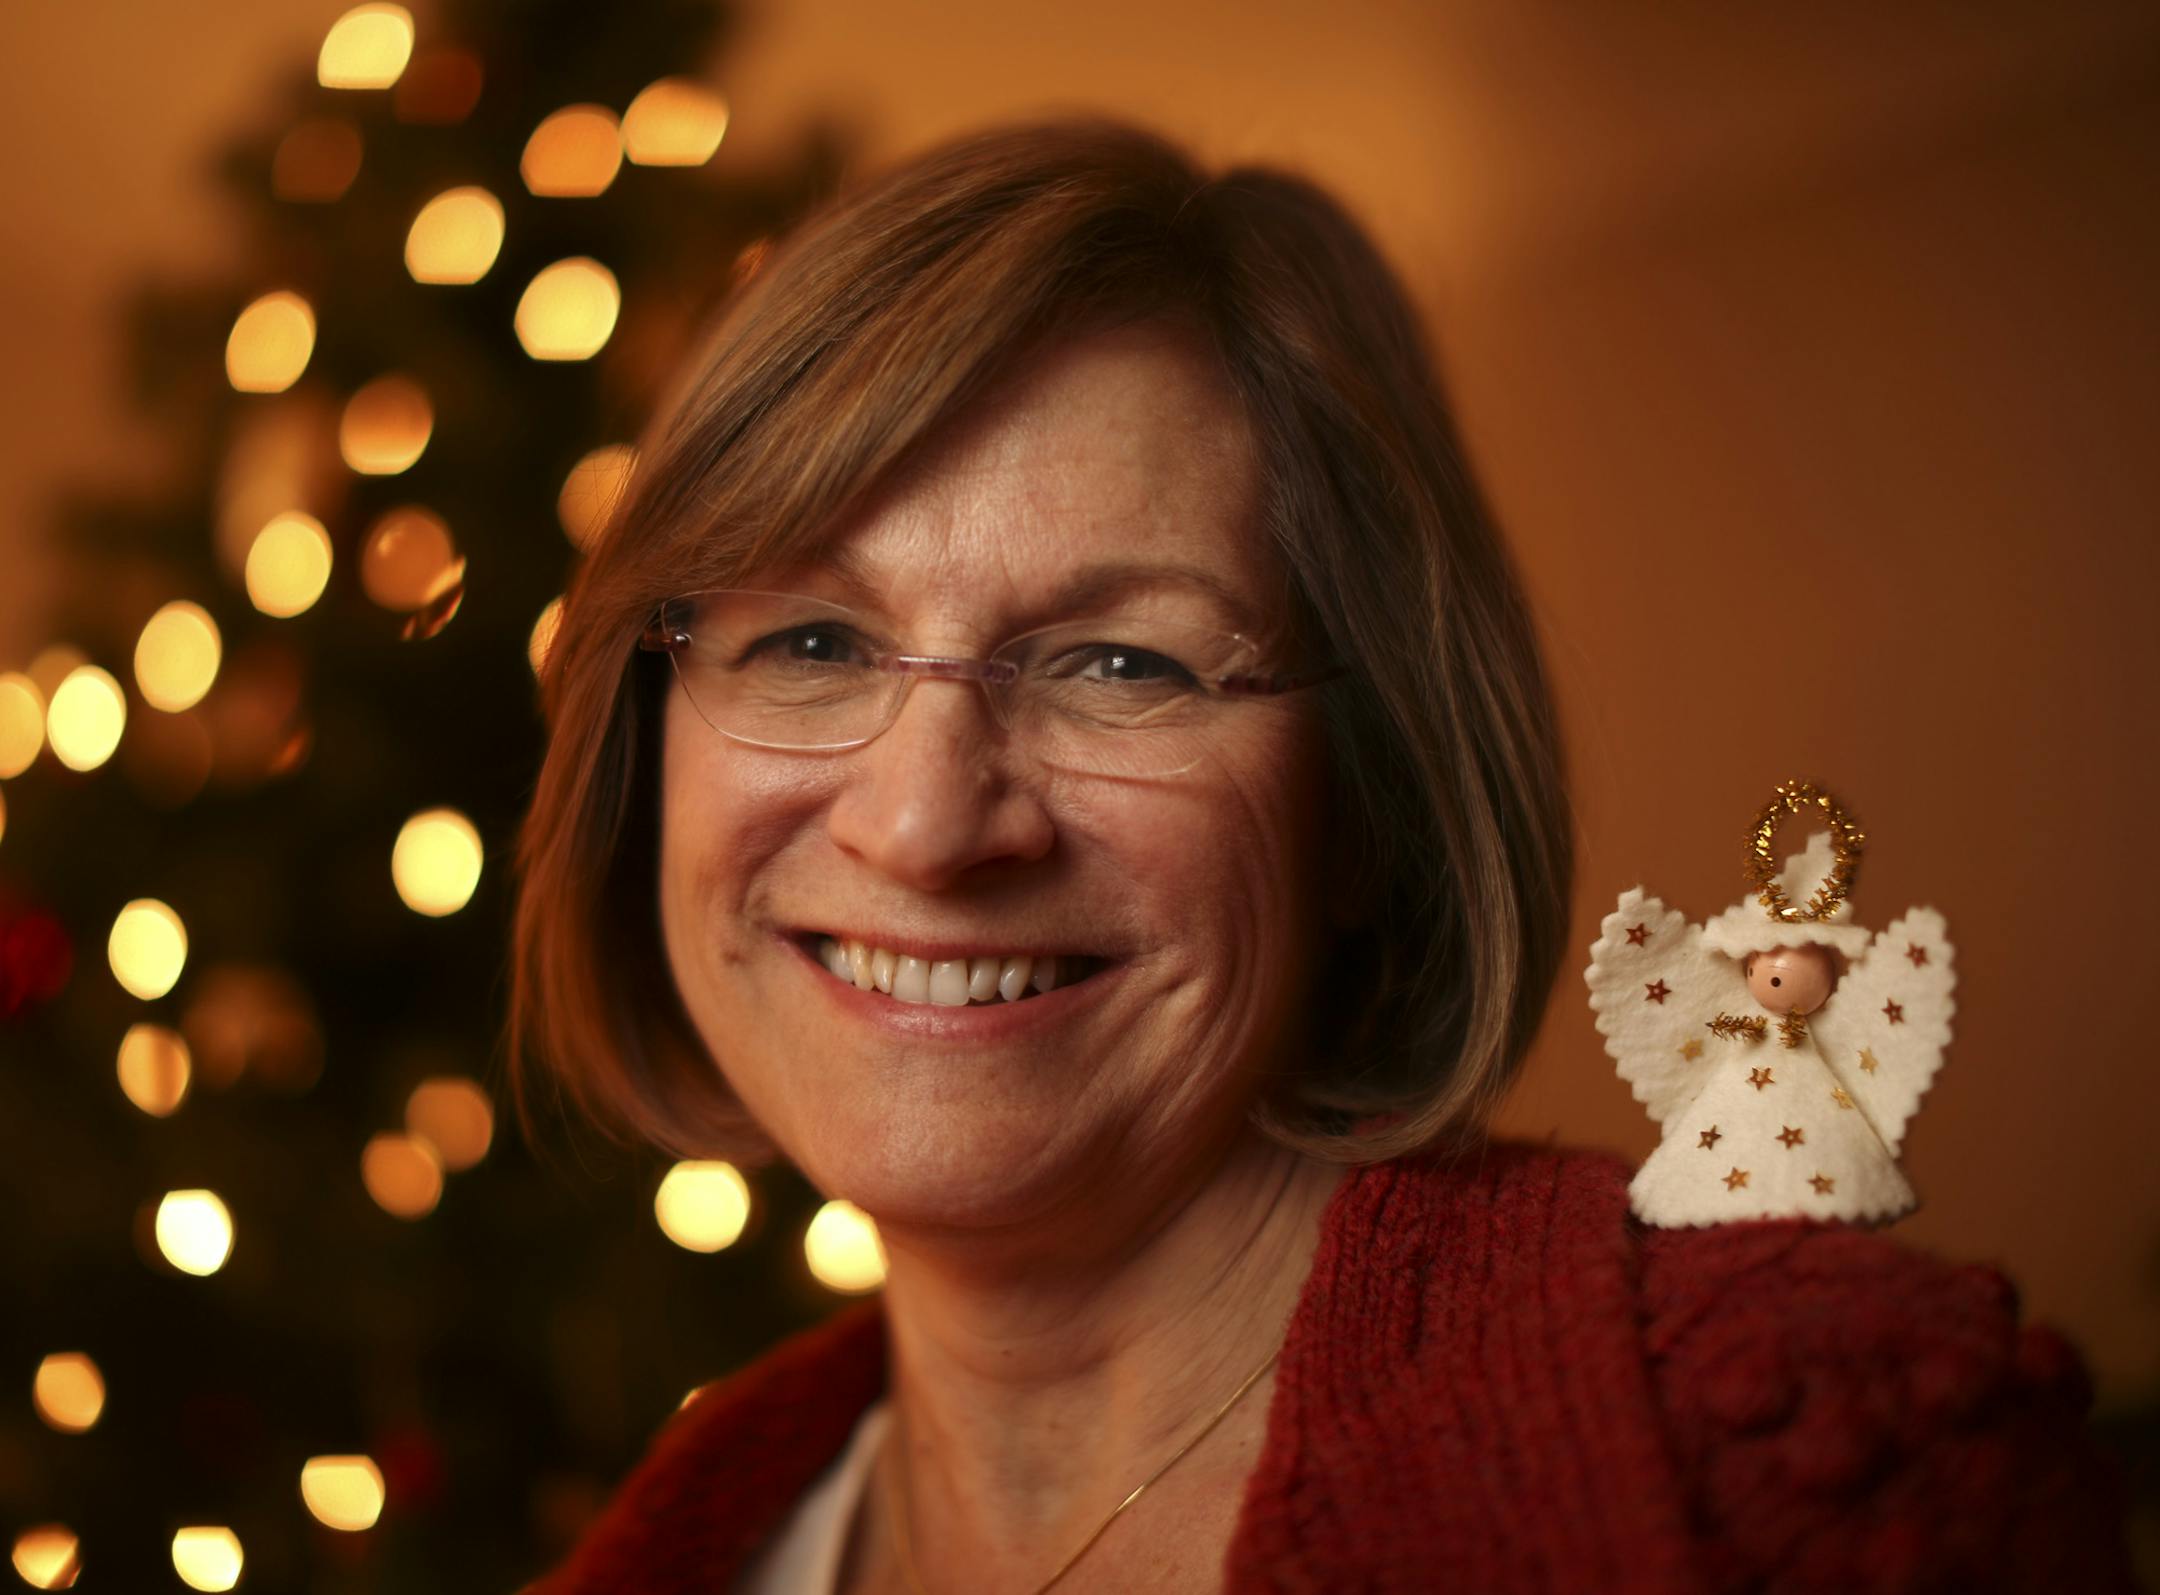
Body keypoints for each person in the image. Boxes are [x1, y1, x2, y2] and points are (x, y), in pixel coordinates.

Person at [508, 121, 2135, 1593]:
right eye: (810, 640)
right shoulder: (689, 1554)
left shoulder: (1819, 1466)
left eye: (1123, 663)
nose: (925, 826)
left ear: (1370, 793)